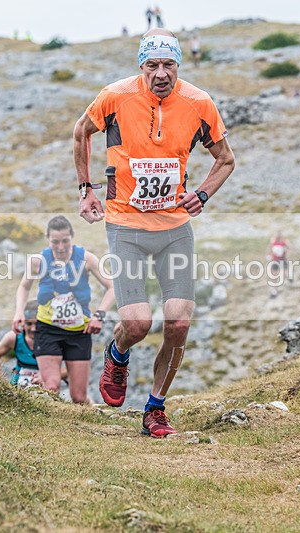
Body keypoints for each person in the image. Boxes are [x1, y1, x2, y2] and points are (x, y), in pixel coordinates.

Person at [72, 29, 236, 437]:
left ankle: (155, 409)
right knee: (139, 323)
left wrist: (203, 194)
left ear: (179, 65)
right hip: (125, 224)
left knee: (179, 324)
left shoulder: (199, 103)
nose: (161, 74)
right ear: (140, 66)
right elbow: (80, 133)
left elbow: (226, 159)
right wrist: (85, 190)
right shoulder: (114, 96)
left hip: (174, 228)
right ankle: (117, 353)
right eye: (152, 65)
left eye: (168, 65)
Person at [13, 216, 115, 404]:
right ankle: (47, 428)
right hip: (48, 329)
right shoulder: (38, 261)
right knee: (51, 386)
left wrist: (99, 315)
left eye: (65, 241)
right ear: (48, 240)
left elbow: (112, 287)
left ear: (72, 237)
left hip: (79, 331)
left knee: (78, 396)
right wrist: (19, 311)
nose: (60, 247)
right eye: (55, 242)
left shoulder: (86, 258)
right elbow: (24, 287)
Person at [0, 300, 69, 387]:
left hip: (45, 388)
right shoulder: (14, 337)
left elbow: (74, 369)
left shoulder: (56, 339)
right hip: (16, 384)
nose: (33, 329)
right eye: (29, 324)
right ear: (22, 322)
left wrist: (49, 376)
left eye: (37, 324)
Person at [266, 232, 289, 297]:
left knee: (283, 274)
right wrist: (269, 255)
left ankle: (286, 279)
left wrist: (287, 254)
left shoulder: (283, 242)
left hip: (282, 260)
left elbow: (289, 249)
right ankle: (274, 290)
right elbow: (269, 249)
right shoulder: (273, 242)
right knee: (274, 276)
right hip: (275, 261)